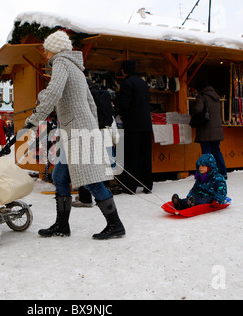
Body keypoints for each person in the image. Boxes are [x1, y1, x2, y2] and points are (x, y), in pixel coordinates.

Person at [25, 30, 125, 240]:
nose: (45, 53)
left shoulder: (61, 62)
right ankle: (62, 226)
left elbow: (53, 92)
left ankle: (115, 225)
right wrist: (90, 125)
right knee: (59, 177)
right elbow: (91, 104)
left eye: (46, 49)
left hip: (77, 131)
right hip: (77, 130)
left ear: (54, 48)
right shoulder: (77, 68)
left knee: (91, 181)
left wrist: (35, 120)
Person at [72, 78, 116, 208]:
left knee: (85, 166)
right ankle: (105, 195)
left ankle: (85, 198)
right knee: (102, 166)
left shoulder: (84, 95)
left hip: (89, 131)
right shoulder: (103, 93)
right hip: (104, 132)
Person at [114, 60, 153, 194]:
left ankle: (130, 186)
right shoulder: (143, 83)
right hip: (146, 125)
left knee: (132, 156)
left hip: (133, 125)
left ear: (124, 71)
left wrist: (117, 104)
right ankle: (147, 185)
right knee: (146, 155)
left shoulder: (127, 84)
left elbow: (125, 105)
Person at [190, 81, 227, 179]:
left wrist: (192, 107)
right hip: (217, 129)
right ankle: (223, 172)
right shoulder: (216, 96)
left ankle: (207, 174)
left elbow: (198, 109)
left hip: (206, 129)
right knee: (216, 151)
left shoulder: (202, 96)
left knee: (206, 153)